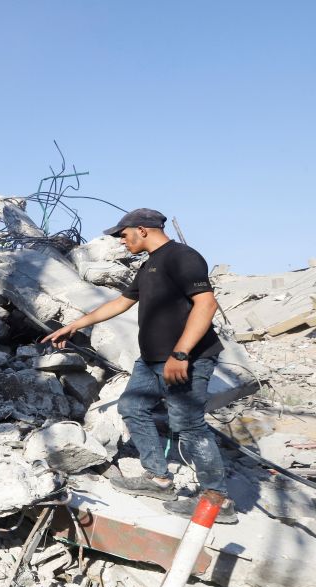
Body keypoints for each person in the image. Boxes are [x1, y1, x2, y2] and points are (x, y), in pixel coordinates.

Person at [42, 208, 235, 523]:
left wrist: (181, 353)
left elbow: (206, 303)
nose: (121, 241)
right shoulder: (149, 266)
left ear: (142, 230)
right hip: (151, 360)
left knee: (188, 424)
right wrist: (75, 325)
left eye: (123, 234)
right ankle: (158, 479)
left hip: (186, 358)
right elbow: (121, 302)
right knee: (132, 407)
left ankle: (218, 500)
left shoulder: (182, 257)